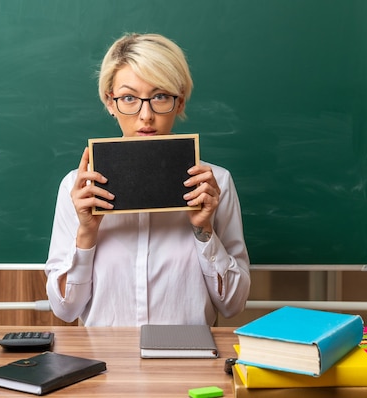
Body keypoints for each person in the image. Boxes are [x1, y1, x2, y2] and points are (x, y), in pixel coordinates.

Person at [45, 33, 250, 327]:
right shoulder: (77, 188)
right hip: (106, 361)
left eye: (160, 97)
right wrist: (86, 234)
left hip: (189, 360)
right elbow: (64, 310)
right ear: (110, 102)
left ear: (179, 103)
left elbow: (233, 305)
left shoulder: (214, 183)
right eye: (129, 98)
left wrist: (204, 230)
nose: (146, 115)